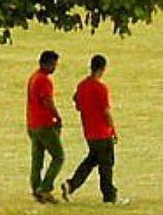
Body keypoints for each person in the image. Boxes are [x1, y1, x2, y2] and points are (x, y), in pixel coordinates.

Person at [61, 54, 130, 206]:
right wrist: (113, 130)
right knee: (106, 164)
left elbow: (76, 101)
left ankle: (71, 185)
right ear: (102, 68)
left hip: (89, 131)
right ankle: (109, 196)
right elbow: (106, 111)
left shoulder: (82, 85)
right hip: (102, 132)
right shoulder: (100, 88)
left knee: (91, 160)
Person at [26, 50, 65, 203]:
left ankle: (36, 188)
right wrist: (57, 117)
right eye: (53, 64)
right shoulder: (44, 80)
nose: (54, 67)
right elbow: (47, 101)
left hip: (32, 123)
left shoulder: (33, 77)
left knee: (37, 159)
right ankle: (45, 188)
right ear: (46, 63)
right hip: (44, 124)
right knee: (59, 156)